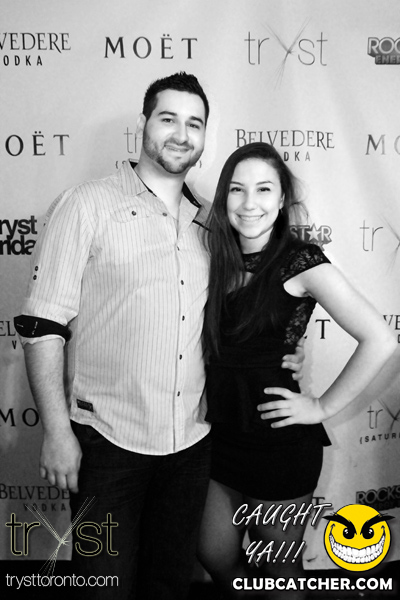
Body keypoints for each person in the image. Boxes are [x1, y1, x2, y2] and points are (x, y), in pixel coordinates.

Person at [14, 76, 303, 599]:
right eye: (168, 119)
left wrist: (286, 352)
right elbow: (43, 326)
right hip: (106, 444)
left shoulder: (214, 225)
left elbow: (247, 310)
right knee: (103, 589)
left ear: (205, 136)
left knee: (168, 586)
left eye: (194, 123)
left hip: (191, 447)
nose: (181, 134)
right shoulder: (86, 205)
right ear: (143, 124)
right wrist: (56, 432)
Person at [197, 142, 397, 599]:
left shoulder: (301, 261)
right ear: (224, 197)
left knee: (280, 572)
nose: (250, 203)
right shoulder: (212, 256)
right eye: (237, 189)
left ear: (283, 198)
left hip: (279, 446)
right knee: (214, 553)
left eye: (264, 189)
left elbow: (381, 339)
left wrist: (321, 406)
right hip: (217, 437)